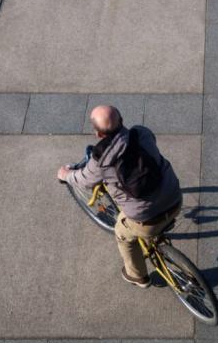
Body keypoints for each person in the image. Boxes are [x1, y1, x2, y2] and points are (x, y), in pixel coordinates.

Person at [57, 105, 182, 288]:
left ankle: (137, 276)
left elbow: (83, 180)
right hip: (175, 197)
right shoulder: (141, 133)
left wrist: (65, 175)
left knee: (123, 235)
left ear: (98, 134)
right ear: (122, 120)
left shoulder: (101, 162)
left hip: (147, 219)